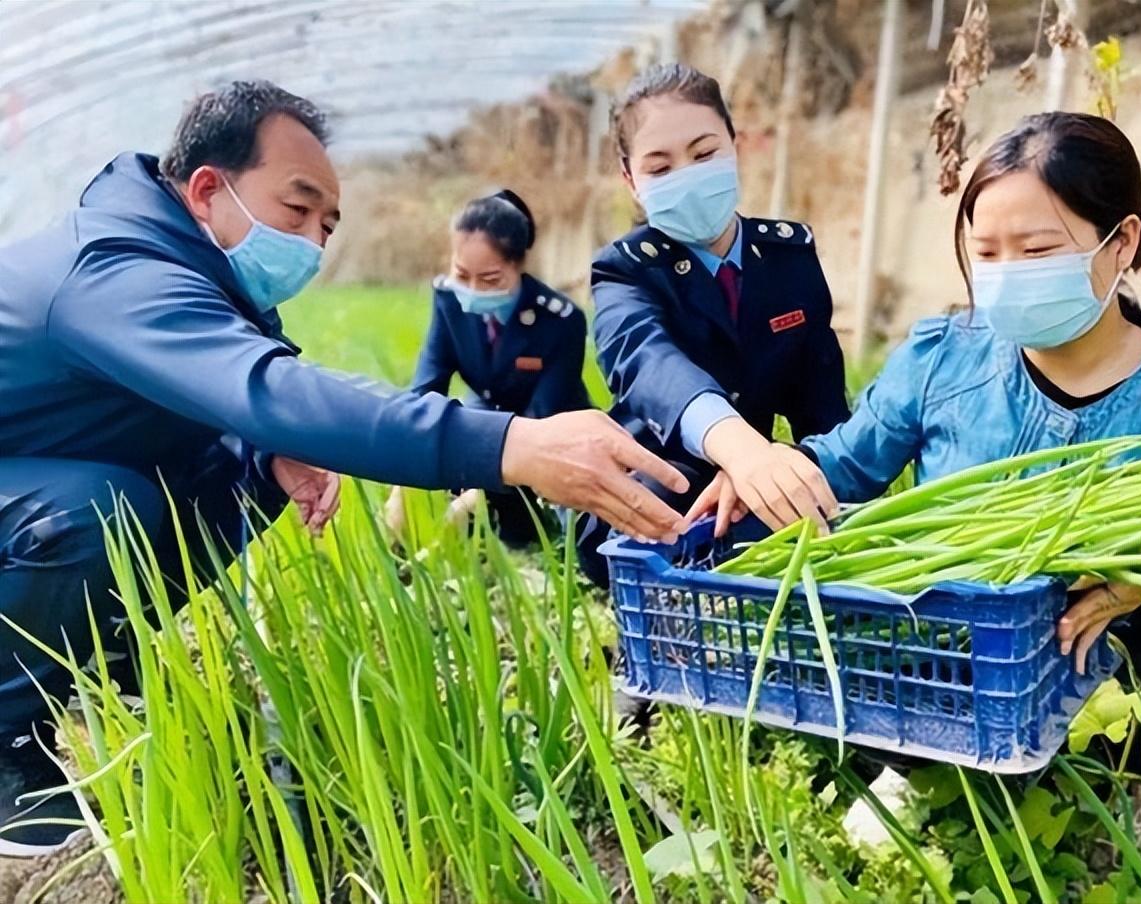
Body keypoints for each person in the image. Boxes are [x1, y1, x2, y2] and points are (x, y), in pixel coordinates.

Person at [0, 80, 688, 856]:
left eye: (326, 227)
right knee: (91, 505)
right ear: (205, 189)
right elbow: (268, 388)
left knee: (250, 464)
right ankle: (3, 750)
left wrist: (271, 445)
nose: (312, 244)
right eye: (296, 211)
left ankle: (96, 646)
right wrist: (515, 448)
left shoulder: (199, 272)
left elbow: (256, 396)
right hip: (31, 488)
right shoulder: (114, 269)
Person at [691, 112, 1141, 778]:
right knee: (857, 670)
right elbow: (848, 462)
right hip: (950, 640)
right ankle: (955, 764)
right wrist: (776, 469)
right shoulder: (947, 358)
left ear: (1122, 242)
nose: (1005, 274)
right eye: (988, 253)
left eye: (1036, 252)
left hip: (1099, 648)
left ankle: (1080, 773)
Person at [577, 63, 850, 585]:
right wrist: (742, 450)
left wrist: (797, 466)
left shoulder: (788, 256)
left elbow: (822, 405)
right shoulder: (625, 270)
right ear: (631, 181)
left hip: (751, 483)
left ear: (736, 146)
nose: (687, 176)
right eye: (660, 168)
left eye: (704, 155)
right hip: (655, 488)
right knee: (663, 544)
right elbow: (647, 362)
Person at [384, 190, 591, 546]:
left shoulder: (560, 320)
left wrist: (479, 467)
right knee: (408, 486)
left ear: (518, 266)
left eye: (490, 279)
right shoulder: (449, 299)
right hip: (483, 418)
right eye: (462, 274)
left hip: (549, 442)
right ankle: (398, 557)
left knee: (534, 532)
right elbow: (428, 384)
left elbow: (544, 417)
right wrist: (413, 448)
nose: (472, 289)